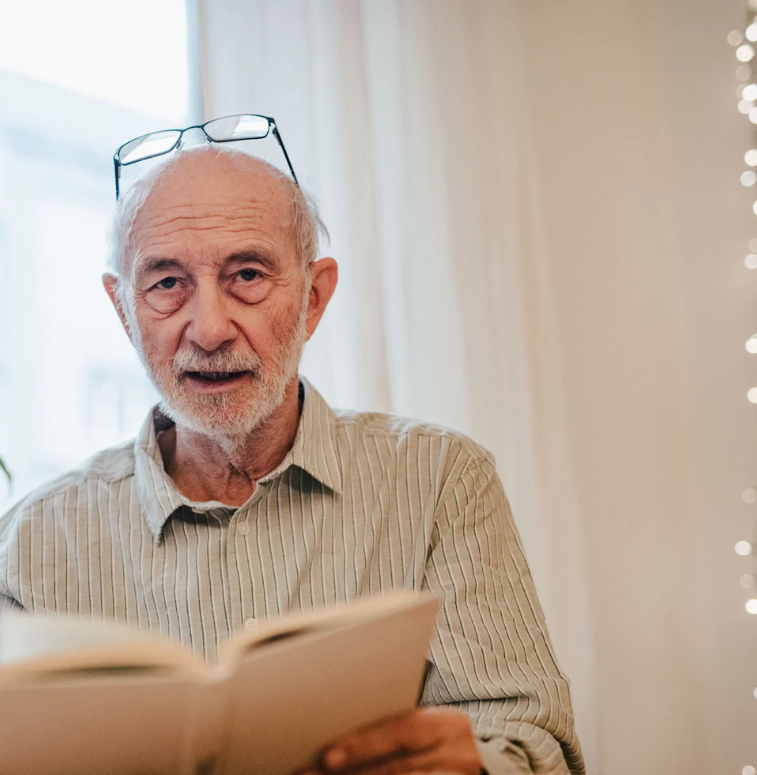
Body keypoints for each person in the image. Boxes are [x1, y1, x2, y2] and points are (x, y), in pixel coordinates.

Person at [0, 138, 584, 775]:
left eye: (246, 276)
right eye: (167, 283)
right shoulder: (30, 544)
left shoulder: (441, 480)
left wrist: (476, 767)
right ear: (123, 310)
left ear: (313, 297)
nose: (210, 328)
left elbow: (535, 744)